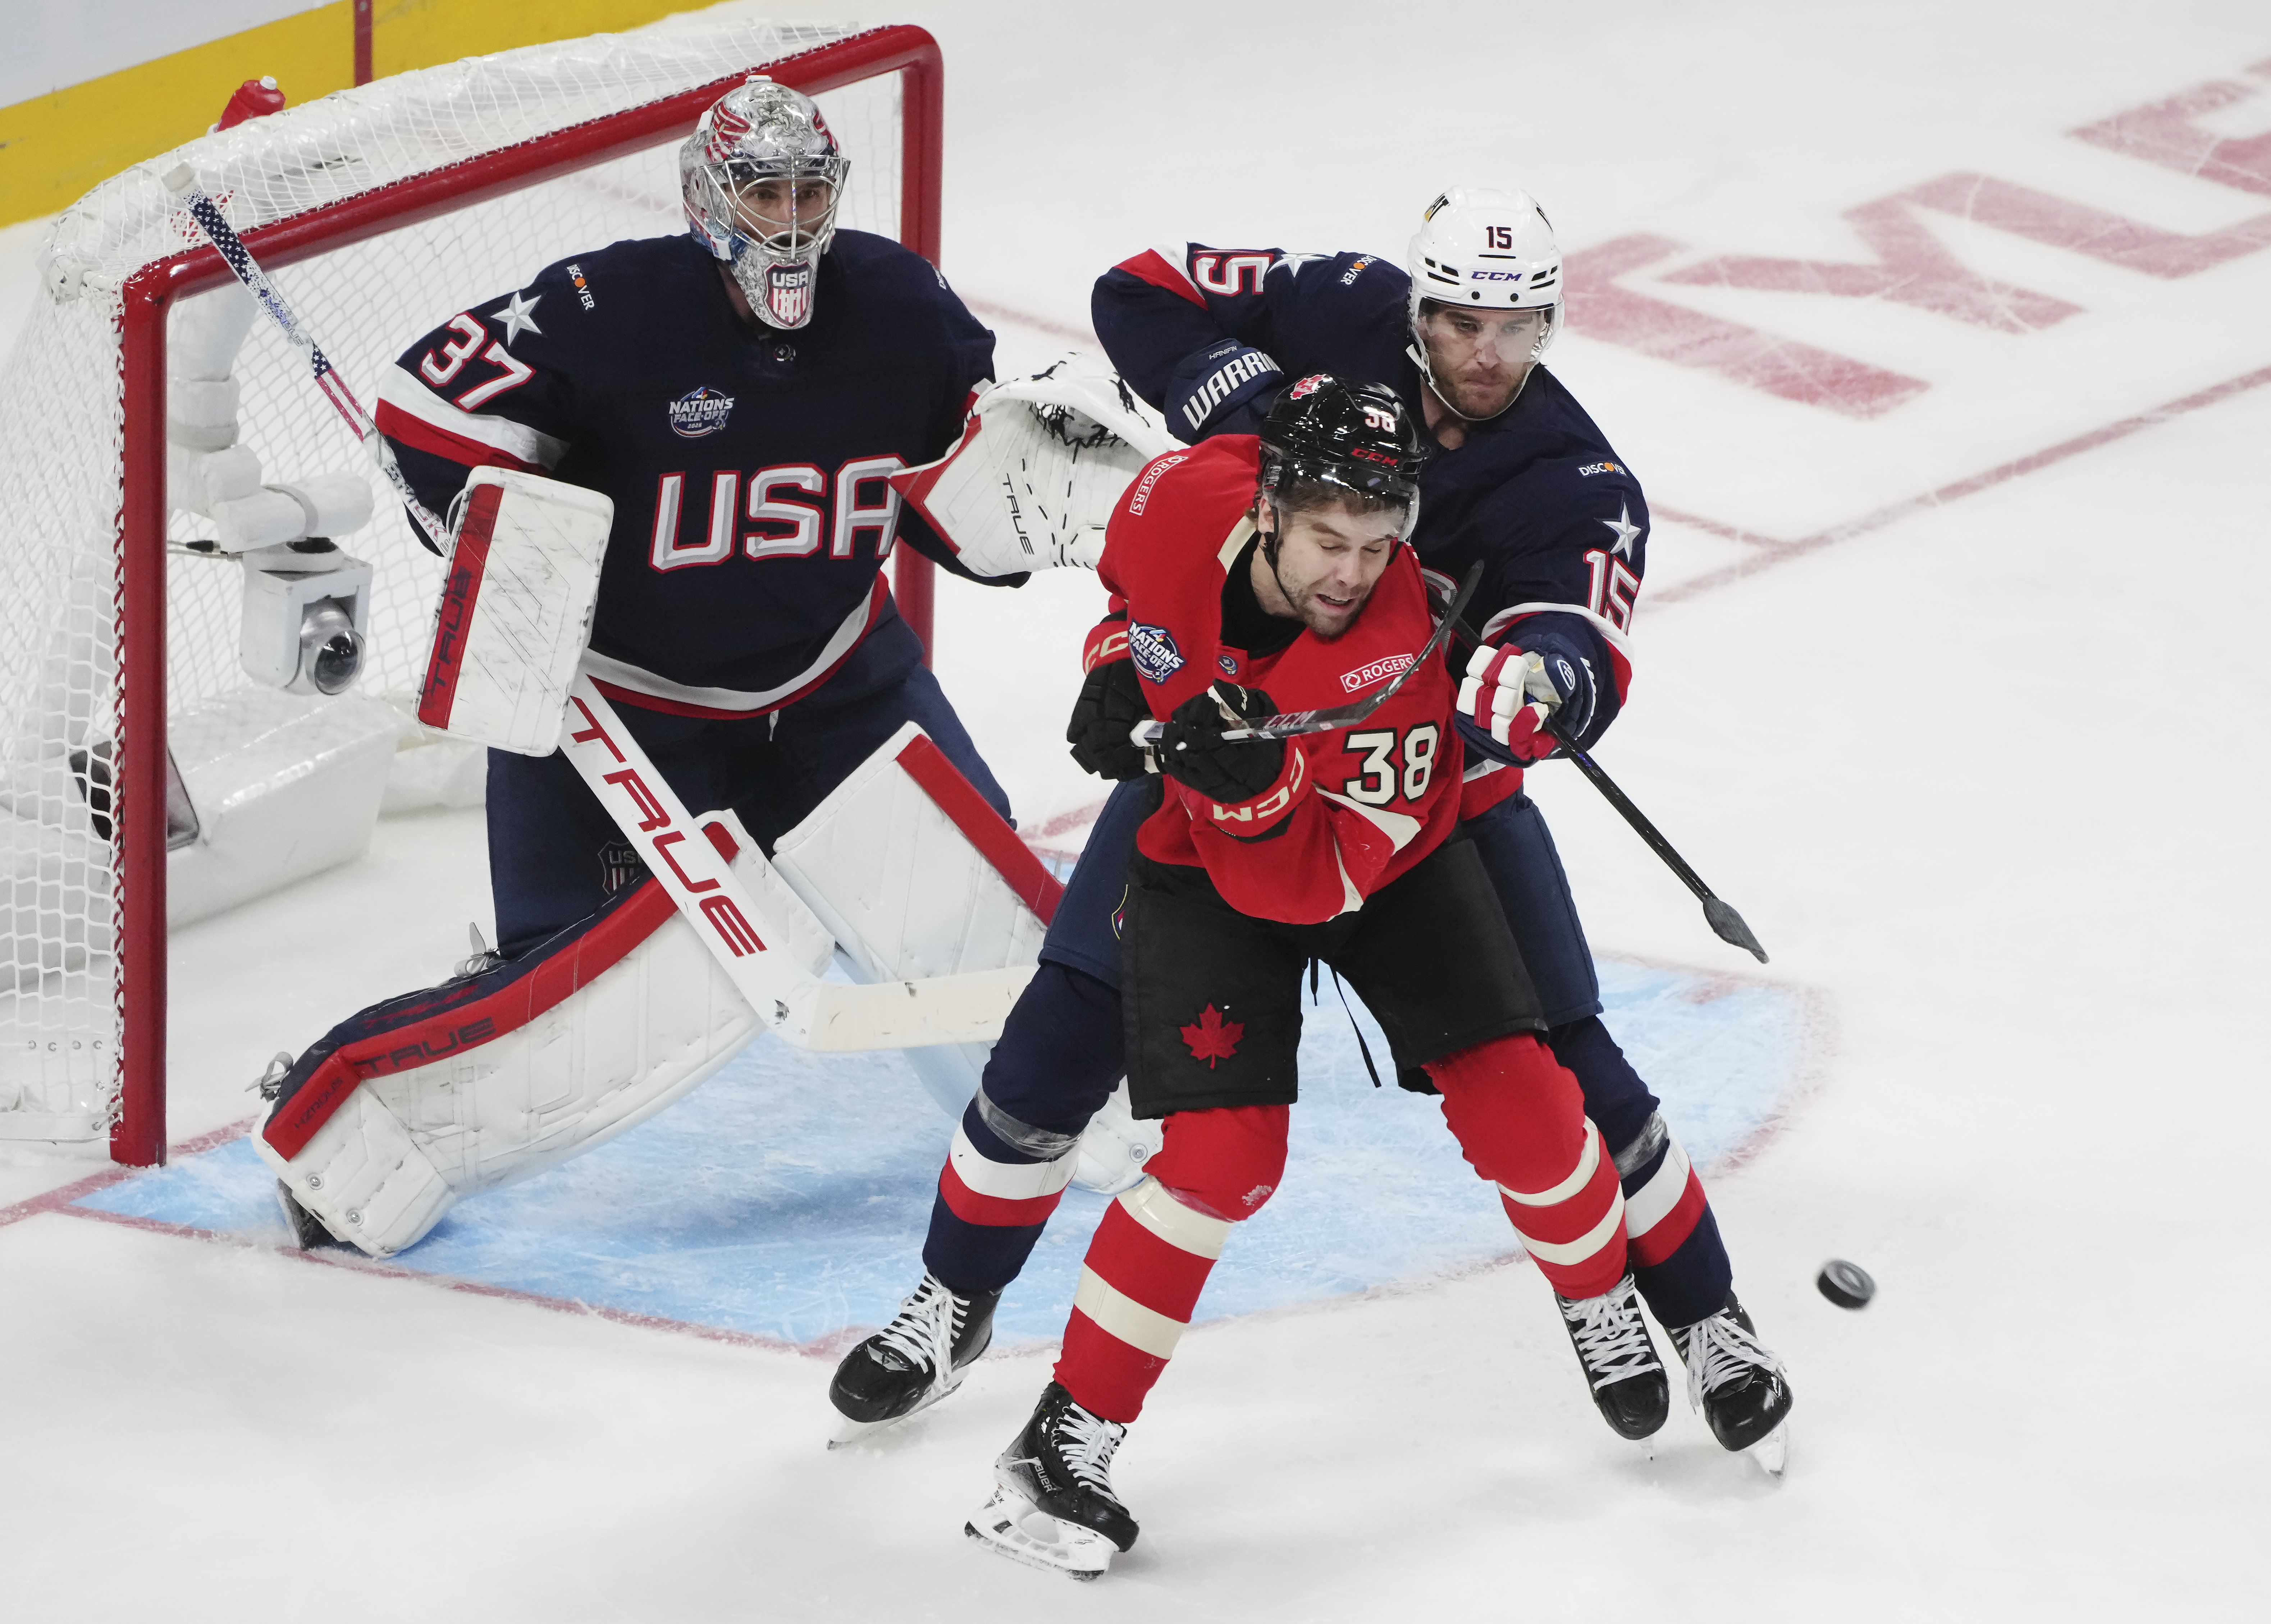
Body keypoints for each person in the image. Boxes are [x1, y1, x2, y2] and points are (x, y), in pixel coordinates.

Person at [830, 188, 1789, 1466]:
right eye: (1457, 319)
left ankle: (1702, 1318)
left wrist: (1541, 678)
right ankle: (954, 1299)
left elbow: (1578, 642)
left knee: (1566, 1074)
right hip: (1221, 767)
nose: (1485, 354)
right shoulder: (1332, 306)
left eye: (1516, 328)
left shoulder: (1572, 482)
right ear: (1415, 307)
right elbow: (1142, 291)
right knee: (1055, 1042)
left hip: (1425, 800)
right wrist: (1234, 447)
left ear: (1552, 325)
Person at [253, 77, 1019, 1256]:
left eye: (812, 188)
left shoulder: (900, 303)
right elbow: (425, 404)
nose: (792, 218)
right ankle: (338, 1115)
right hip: (630, 712)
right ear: (710, 198)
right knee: (576, 1003)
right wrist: (492, 521)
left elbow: (986, 468)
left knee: (992, 930)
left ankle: (1080, 1101)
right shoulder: (609, 306)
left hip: (840, 686)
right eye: (764, 191)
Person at [963, 376, 1632, 1576]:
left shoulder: (1384, 652)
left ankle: (1596, 1297)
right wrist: (1116, 655)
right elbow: (1140, 586)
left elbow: (1311, 888)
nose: (1352, 574)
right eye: (1329, 539)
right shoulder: (1173, 497)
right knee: (1221, 1165)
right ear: (1266, 507)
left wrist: (1256, 790)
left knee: (1529, 1115)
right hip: (1201, 866)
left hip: (1379, 852)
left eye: (1380, 546)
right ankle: (1059, 1446)